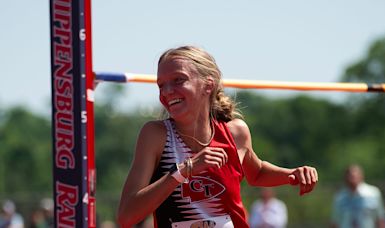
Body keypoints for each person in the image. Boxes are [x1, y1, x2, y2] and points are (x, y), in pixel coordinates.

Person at [117, 45, 318, 228]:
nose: (167, 91)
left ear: (208, 84)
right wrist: (183, 171)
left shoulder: (235, 132)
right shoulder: (155, 135)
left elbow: (256, 173)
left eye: (178, 80)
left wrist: (292, 174)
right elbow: (126, 216)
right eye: (161, 85)